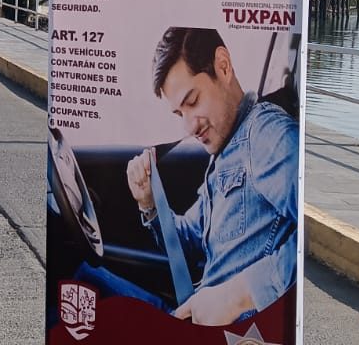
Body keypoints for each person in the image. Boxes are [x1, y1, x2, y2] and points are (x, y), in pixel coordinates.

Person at [80, 27, 298, 326]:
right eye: (179, 113)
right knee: (86, 278)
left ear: (223, 66)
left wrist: (239, 294)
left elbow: (310, 241)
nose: (189, 127)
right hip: (192, 318)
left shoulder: (265, 135)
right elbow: (191, 239)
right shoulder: (226, 151)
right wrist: (149, 204)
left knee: (80, 292)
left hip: (228, 332)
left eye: (192, 101)